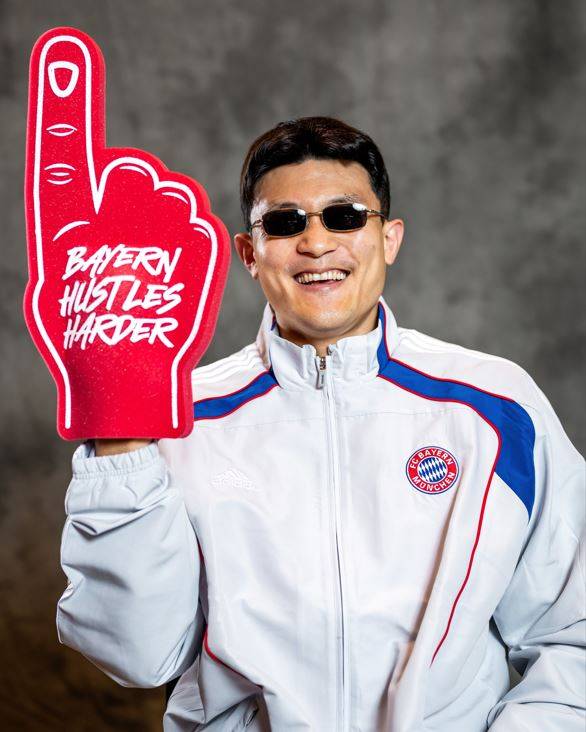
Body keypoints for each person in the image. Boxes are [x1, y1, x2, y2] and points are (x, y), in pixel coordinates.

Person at [57, 116, 585, 731]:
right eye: (284, 223)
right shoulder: (177, 420)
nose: (315, 243)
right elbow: (138, 652)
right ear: (249, 254)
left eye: (344, 217)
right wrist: (120, 430)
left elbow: (573, 632)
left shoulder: (494, 408)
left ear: (389, 238)